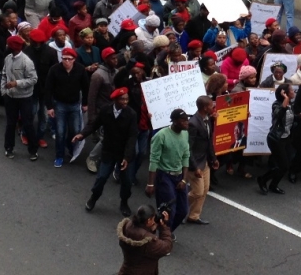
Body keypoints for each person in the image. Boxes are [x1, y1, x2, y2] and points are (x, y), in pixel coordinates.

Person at [75, 87, 137, 217]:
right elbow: (94, 124)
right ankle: (94, 198)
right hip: (109, 150)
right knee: (102, 177)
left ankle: (124, 202)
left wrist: (127, 157)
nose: (125, 102)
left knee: (126, 181)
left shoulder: (131, 114)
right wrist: (82, 134)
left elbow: (132, 137)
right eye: (122, 99)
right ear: (115, 100)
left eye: (127, 99)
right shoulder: (105, 111)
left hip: (124, 153)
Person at [146, 109, 191, 239]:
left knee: (183, 211)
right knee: (169, 211)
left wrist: (184, 179)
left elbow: (186, 156)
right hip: (164, 176)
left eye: (187, 120)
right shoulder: (161, 136)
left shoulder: (185, 134)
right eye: (183, 120)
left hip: (179, 176)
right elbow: (153, 160)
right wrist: (150, 183)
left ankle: (166, 232)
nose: (186, 123)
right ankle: (163, 239)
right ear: (175, 121)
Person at [45, 48, 89, 167]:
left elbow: (85, 87)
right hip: (60, 105)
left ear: (74, 59)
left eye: (70, 59)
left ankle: (70, 148)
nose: (67, 61)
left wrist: (85, 103)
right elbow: (48, 89)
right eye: (64, 59)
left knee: (75, 130)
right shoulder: (54, 70)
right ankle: (59, 156)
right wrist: (49, 107)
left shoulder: (80, 69)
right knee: (60, 132)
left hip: (75, 104)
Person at [1, 36, 39, 160]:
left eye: (8, 45)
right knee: (10, 124)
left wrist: (17, 83)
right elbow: (4, 75)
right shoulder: (8, 58)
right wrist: (4, 91)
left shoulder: (26, 61)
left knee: (27, 124)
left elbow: (33, 79)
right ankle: (8, 148)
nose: (6, 46)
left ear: (14, 47)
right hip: (10, 97)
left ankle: (33, 150)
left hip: (24, 97)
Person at [257, 83, 297, 195]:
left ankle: (273, 185)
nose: (294, 92)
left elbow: (291, 118)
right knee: (283, 165)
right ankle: (263, 180)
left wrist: (299, 118)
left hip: (286, 138)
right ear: (285, 93)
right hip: (276, 139)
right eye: (291, 90)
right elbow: (279, 114)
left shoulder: (290, 104)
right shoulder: (277, 105)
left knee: (286, 164)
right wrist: (285, 99)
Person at [85, 47, 119, 173]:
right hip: (101, 112)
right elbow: (91, 97)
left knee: (108, 137)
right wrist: (91, 117)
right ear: (106, 59)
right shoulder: (98, 75)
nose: (116, 60)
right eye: (113, 58)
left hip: (113, 111)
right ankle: (92, 158)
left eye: (116, 58)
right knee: (105, 138)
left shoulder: (115, 72)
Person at [24, 29, 58, 149]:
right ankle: (25, 133)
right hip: (30, 88)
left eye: (40, 42)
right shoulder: (26, 52)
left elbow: (55, 71)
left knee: (44, 116)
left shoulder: (51, 52)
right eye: (35, 42)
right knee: (31, 113)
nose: (38, 44)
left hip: (46, 90)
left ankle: (39, 137)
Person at [187, 96, 219, 225]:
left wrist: (213, 158)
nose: (213, 107)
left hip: (205, 160)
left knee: (205, 189)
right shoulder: (193, 123)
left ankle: (194, 215)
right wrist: (195, 167)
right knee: (197, 191)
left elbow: (208, 141)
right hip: (195, 163)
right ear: (205, 108)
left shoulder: (207, 120)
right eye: (212, 105)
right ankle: (178, 205)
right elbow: (188, 148)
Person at [117, 205, 173, 275]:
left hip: (126, 270)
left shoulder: (128, 226)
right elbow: (166, 247)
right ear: (149, 220)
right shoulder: (148, 241)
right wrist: (164, 228)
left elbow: (140, 232)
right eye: (153, 218)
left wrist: (150, 229)